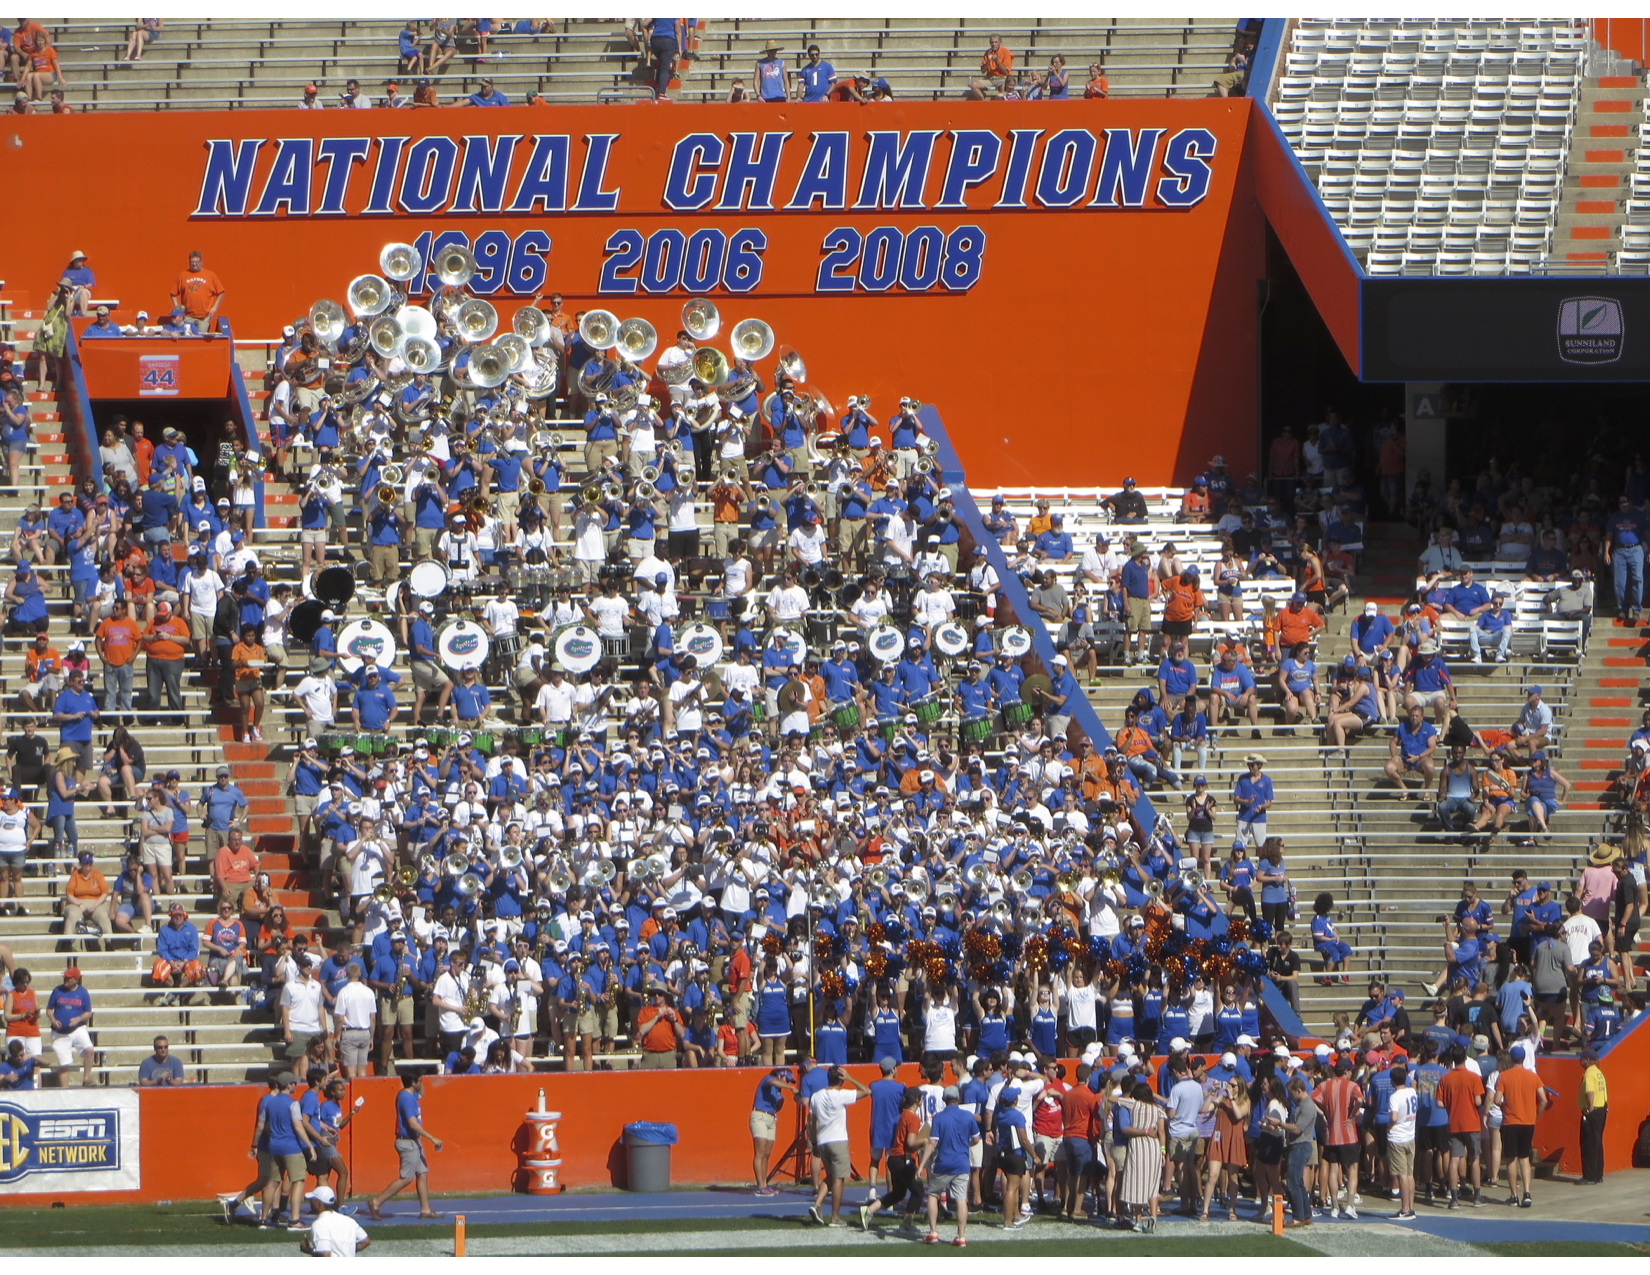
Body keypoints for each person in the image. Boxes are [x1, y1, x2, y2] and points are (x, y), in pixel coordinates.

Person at [369, 1072, 444, 1220]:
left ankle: (425, 1210)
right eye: (420, 1080)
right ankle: (376, 1202)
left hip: (414, 1141)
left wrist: (420, 1082)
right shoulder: (406, 1098)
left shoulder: (409, 1095)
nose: (422, 1083)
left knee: (422, 1173)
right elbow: (412, 1123)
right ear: (414, 1082)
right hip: (408, 1141)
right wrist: (431, 1138)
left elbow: (422, 1095)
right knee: (406, 1178)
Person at [807, 1065, 870, 1226]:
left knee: (830, 1176)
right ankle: (835, 1217)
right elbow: (866, 1091)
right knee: (838, 1179)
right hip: (838, 1140)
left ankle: (817, 1205)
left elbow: (812, 1120)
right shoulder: (841, 1095)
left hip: (822, 1140)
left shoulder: (816, 1096)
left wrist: (813, 1141)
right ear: (840, 1080)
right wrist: (850, 1078)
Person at [918, 1084, 979, 1246]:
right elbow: (976, 1139)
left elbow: (931, 1143)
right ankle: (961, 1236)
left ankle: (933, 1232)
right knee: (961, 1199)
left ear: (944, 1100)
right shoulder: (967, 1116)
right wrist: (965, 1145)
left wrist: (921, 1165)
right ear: (958, 1098)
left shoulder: (938, 1118)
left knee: (933, 1194)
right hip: (961, 1162)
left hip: (943, 1162)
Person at [750, 1066, 796, 1196]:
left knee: (766, 1154)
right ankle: (760, 1186)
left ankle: (764, 1183)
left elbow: (776, 1107)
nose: (787, 1083)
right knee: (760, 1153)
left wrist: (780, 1102)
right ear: (780, 1076)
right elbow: (772, 1082)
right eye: (786, 1079)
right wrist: (791, 1088)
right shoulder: (769, 1079)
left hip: (771, 1118)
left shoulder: (778, 1091)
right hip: (760, 1117)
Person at [47, 966, 94, 1086]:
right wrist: (52, 1019)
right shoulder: (57, 990)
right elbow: (49, 1009)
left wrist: (78, 1019)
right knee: (63, 1064)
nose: (65, 979)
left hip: (77, 1028)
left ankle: (86, 1078)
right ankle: (65, 1089)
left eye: (69, 978)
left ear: (76, 979)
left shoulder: (82, 992)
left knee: (89, 1049)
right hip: (59, 1032)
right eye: (65, 977)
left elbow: (88, 1012)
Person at [300, 1184, 370, 1257]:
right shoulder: (349, 1220)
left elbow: (325, 1255)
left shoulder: (319, 1224)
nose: (310, 1203)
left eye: (312, 1200)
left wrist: (307, 1250)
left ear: (319, 1203)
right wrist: (346, 1251)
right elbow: (365, 1241)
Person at [172, 251, 226, 330]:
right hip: (187, 317)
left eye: (196, 262)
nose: (194, 264)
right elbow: (173, 294)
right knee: (187, 339)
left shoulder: (211, 275)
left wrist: (214, 307)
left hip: (203, 318)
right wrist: (177, 308)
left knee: (201, 340)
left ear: (201, 262)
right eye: (192, 262)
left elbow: (221, 292)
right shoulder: (182, 276)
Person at [1578, 1047, 1608, 1184]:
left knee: (1588, 1143)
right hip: (1601, 1110)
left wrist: (1588, 1110)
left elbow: (1590, 1093)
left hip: (1592, 1112)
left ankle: (1589, 1176)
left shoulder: (1589, 1074)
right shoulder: (1599, 1073)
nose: (1580, 1061)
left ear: (1587, 1060)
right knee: (1597, 1143)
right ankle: (1597, 1174)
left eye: (1582, 1059)